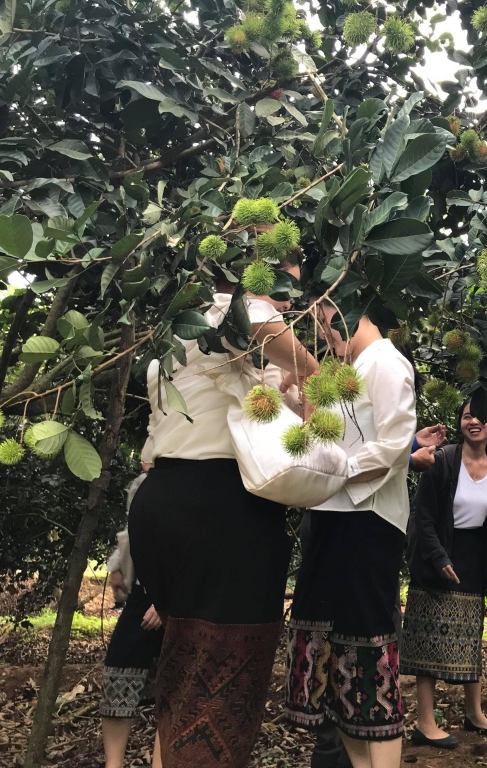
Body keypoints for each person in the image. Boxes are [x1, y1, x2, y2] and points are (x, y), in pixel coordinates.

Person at [129, 263, 321, 768]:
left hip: (161, 501)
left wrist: (275, 390)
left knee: (182, 672)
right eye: (285, 282)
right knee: (221, 687)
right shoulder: (242, 315)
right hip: (223, 515)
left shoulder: (176, 330)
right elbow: (289, 353)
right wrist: (313, 381)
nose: (289, 298)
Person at [285, 304, 417, 768]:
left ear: (351, 309)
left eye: (325, 318)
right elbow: (316, 434)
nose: (322, 328)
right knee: (342, 667)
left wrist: (336, 472)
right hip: (332, 521)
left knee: (368, 661)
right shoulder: (345, 371)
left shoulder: (385, 362)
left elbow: (396, 444)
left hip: (366, 524)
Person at [303, 422, 446, 768]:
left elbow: (358, 445)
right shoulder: (328, 382)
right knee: (332, 646)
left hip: (368, 531)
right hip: (337, 526)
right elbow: (334, 452)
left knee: (368, 652)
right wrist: (406, 454)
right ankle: (331, 753)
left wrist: (406, 447)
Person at [400, 397, 487, 749]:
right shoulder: (442, 460)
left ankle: (474, 713)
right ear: (460, 423)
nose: (473, 421)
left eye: (480, 416)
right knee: (429, 640)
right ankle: (425, 722)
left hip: (473, 562)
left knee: (471, 638)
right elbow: (425, 515)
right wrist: (437, 557)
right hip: (436, 561)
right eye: (467, 415)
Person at [100, 474, 163, 768]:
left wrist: (167, 603)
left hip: (179, 602)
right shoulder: (140, 484)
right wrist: (115, 566)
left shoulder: (192, 481)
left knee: (174, 689)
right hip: (140, 596)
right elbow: (136, 532)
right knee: (118, 672)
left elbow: (198, 544)